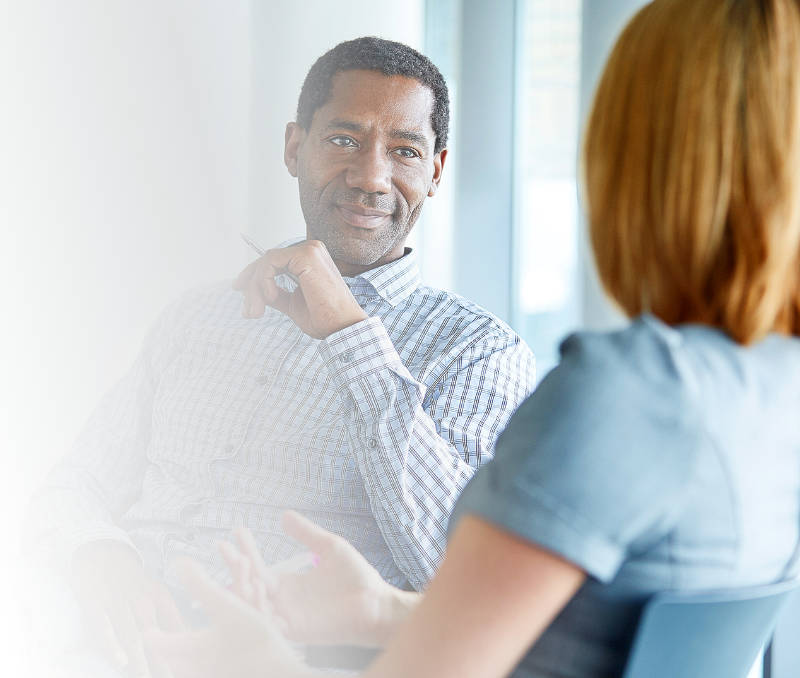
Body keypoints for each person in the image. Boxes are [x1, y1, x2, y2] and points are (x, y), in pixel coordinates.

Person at [143, 1, 800, 677]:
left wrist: (258, 659)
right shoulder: (773, 385)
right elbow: (593, 629)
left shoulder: (624, 393)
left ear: (633, 155)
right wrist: (383, 613)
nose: (371, 175)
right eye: (343, 139)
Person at [25, 37, 535, 676]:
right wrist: (98, 553)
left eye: (403, 151)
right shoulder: (196, 316)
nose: (372, 176)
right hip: (101, 641)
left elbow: (448, 563)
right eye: (344, 140)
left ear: (435, 171)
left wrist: (352, 336)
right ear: (296, 147)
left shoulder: (480, 350)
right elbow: (76, 482)